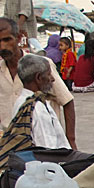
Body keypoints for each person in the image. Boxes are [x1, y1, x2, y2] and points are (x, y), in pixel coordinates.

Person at [0, 17, 75, 147]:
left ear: (18, 38)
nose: (2, 46)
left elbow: (67, 101)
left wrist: (71, 141)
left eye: (7, 40)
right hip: (11, 145)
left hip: (45, 142)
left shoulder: (42, 65)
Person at [10, 54, 71, 149]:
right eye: (49, 74)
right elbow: (48, 149)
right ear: (38, 78)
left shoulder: (22, 101)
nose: (52, 78)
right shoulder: (37, 107)